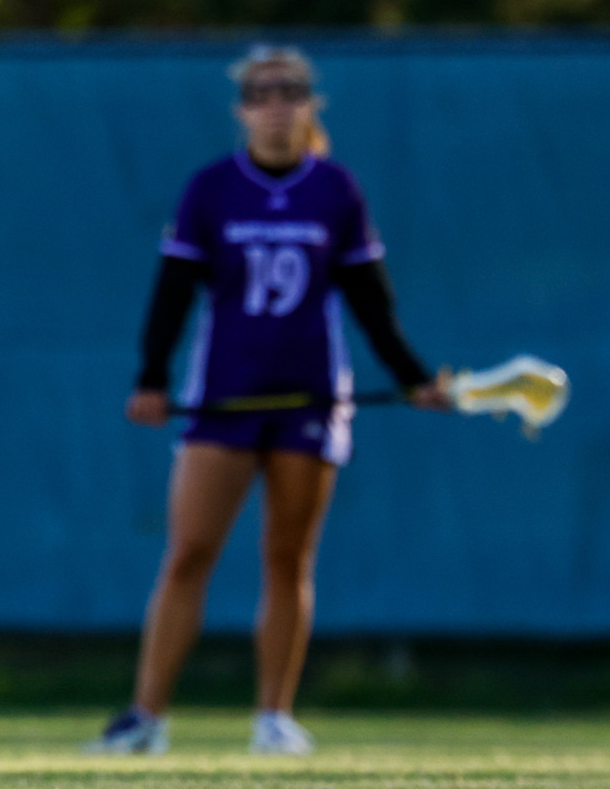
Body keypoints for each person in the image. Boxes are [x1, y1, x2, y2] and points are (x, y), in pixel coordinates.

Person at [88, 46, 450, 756]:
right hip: (222, 398)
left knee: (289, 558)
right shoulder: (212, 189)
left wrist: (413, 378)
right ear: (242, 108)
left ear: (311, 104)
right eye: (262, 92)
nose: (278, 104)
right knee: (189, 552)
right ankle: (145, 718)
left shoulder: (337, 190)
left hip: (312, 396)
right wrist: (152, 378)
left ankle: (273, 718)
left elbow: (372, 303)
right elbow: (172, 294)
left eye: (291, 91)